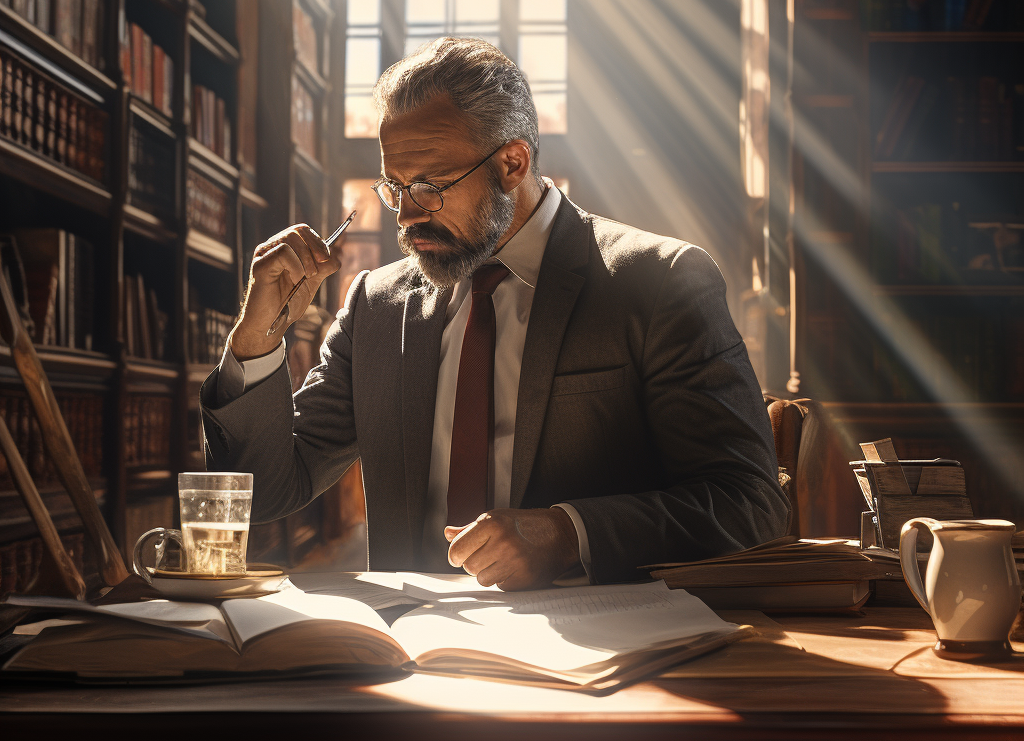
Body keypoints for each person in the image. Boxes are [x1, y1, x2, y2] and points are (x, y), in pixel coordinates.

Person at [201, 37, 789, 589]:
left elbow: (750, 505)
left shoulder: (659, 282)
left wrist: (566, 532)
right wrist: (256, 339)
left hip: (601, 655)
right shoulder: (376, 306)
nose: (406, 215)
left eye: (430, 184)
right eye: (394, 186)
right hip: (412, 657)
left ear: (512, 163)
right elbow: (265, 493)